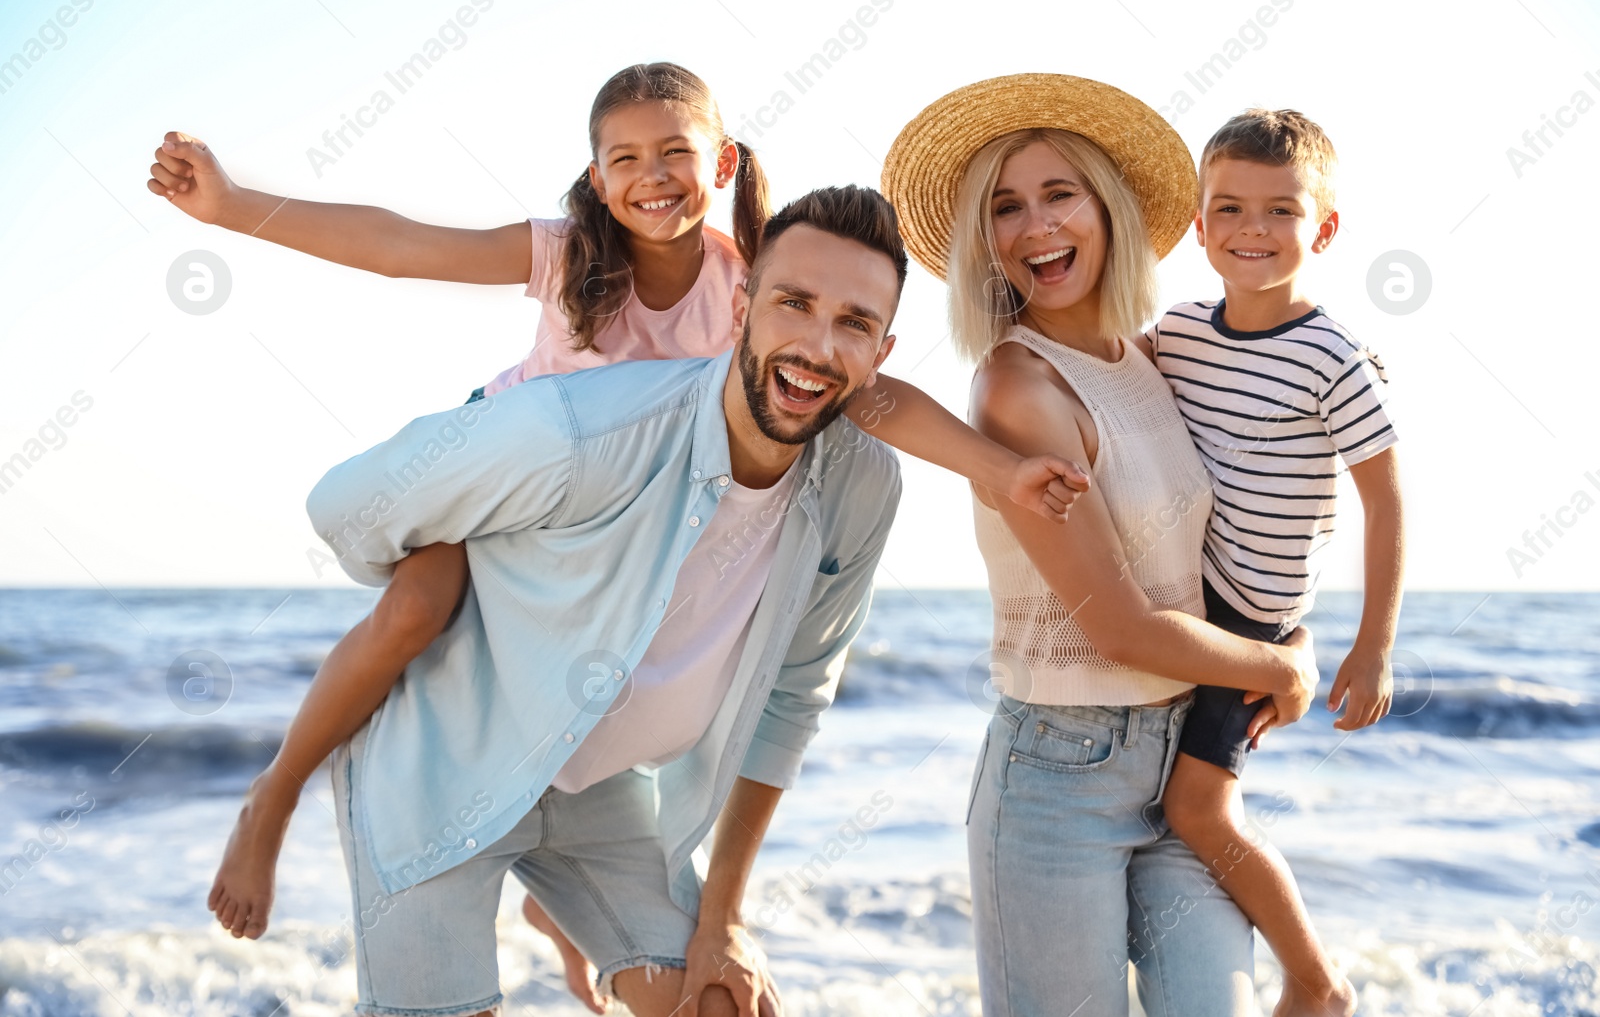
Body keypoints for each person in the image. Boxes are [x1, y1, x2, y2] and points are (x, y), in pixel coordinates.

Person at [147, 63, 1085, 1009]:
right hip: (510, 472)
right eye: (625, 158)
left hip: (628, 593)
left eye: (675, 152)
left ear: (720, 163)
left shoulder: (743, 284)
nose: (652, 176)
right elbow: (402, 246)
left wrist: (1000, 471)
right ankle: (277, 791)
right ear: (596, 177)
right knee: (417, 608)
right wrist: (233, 207)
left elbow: (875, 401)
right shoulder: (569, 259)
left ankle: (566, 907)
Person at [300, 184, 926, 1017]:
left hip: (600, 788)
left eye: (853, 322)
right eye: (794, 303)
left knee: (722, 1003)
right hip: (442, 760)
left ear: (883, 349)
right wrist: (446, 579)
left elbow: (793, 693)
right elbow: (347, 505)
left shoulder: (862, 484)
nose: (817, 345)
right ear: (742, 305)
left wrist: (725, 918)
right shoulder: (578, 433)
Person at [881, 73, 1321, 1016]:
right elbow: (1119, 626)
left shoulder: (1155, 357)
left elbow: (1251, 524)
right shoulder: (1018, 389)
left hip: (1181, 767)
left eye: (1058, 194)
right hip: (1057, 782)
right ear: (985, 242)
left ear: (1107, 208)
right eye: (1006, 207)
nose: (1035, 226)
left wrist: (1293, 634)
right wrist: (1273, 670)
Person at [1151, 108, 1403, 1017]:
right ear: (1199, 225)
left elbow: (1386, 500)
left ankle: (1314, 976)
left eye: (1280, 211)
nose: (1252, 230)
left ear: (1323, 229)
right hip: (1187, 582)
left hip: (1251, 611)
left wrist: (1371, 645)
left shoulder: (1334, 359)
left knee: (1199, 809)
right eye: (1230, 208)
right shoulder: (1178, 330)